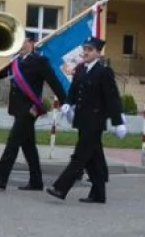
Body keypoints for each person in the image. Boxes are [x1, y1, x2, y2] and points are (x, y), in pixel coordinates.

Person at [46, 36, 127, 205]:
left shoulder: (104, 72)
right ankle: (98, 194)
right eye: (85, 49)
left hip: (95, 120)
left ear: (98, 53)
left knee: (80, 156)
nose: (85, 52)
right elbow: (74, 90)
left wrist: (118, 121)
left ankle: (61, 188)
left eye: (90, 50)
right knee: (93, 158)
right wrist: (68, 103)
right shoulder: (81, 68)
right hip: (82, 119)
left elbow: (111, 98)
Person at [0, 30, 66, 191]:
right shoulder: (15, 61)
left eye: (23, 41)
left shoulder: (40, 61)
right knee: (28, 147)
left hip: (30, 109)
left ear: (32, 43)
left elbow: (54, 82)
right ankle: (36, 181)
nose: (20, 44)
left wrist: (66, 101)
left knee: (12, 143)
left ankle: (0, 178)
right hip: (17, 108)